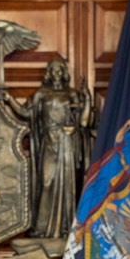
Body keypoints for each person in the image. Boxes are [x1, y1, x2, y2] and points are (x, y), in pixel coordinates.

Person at [27, 58, 92, 238]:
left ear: (64, 72)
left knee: (67, 184)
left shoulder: (71, 93)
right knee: (46, 181)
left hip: (66, 143)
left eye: (59, 70)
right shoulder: (41, 93)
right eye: (53, 69)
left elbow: (84, 122)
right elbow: (27, 114)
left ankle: (65, 227)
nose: (56, 73)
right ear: (49, 73)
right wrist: (7, 99)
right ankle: (41, 228)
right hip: (49, 142)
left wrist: (87, 99)